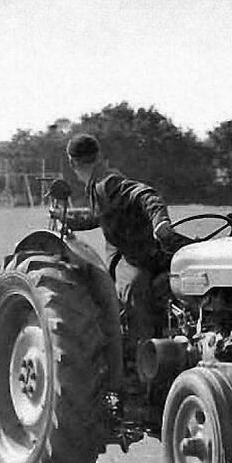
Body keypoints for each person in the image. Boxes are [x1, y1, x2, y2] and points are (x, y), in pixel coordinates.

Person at [60, 133, 188, 372]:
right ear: (98, 156)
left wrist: (160, 222)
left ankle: (148, 361)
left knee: (134, 289)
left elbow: (145, 194)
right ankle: (139, 362)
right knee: (132, 290)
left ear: (73, 163)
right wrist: (69, 221)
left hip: (138, 254)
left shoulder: (107, 182)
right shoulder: (98, 184)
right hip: (133, 255)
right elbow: (101, 216)